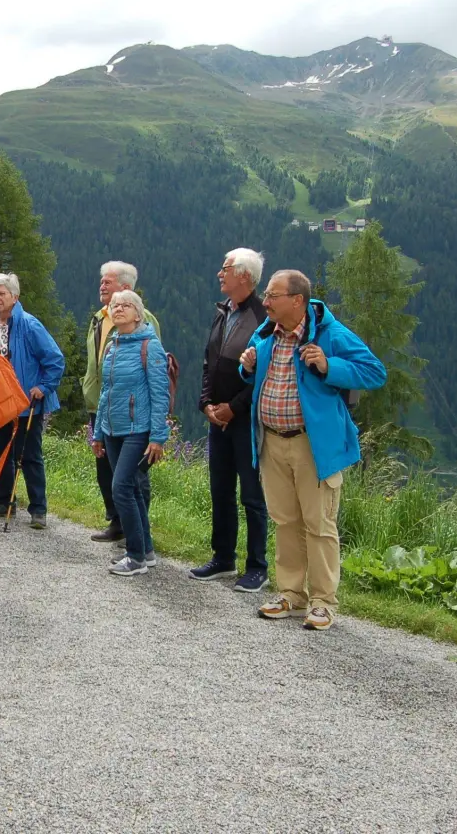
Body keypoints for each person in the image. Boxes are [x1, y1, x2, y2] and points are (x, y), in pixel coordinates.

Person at [239, 269, 386, 631]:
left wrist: (328, 365)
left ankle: (322, 602)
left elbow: (374, 372)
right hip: (272, 440)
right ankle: (291, 594)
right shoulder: (266, 334)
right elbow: (259, 377)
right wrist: (248, 368)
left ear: (298, 301)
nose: (266, 302)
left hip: (312, 445)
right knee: (285, 521)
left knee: (319, 524)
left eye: (273, 296)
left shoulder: (330, 333)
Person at [191, 248, 272, 592]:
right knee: (220, 489)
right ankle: (223, 557)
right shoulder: (223, 311)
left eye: (224, 269)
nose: (219, 275)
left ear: (245, 276)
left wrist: (233, 408)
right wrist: (207, 402)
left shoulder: (263, 318)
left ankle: (257, 566)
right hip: (218, 417)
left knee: (252, 495)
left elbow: (262, 375)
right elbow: (210, 361)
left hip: (245, 419)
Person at [81, 261, 162, 544]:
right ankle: (117, 523)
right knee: (107, 473)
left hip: (134, 417)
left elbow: (155, 378)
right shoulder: (100, 319)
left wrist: (157, 432)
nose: (102, 286)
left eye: (109, 282)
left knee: (131, 480)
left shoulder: (144, 324)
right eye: (101, 281)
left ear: (126, 288)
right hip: (103, 408)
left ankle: (137, 538)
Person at [95, 290, 171, 576]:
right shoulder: (113, 344)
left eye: (126, 305)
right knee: (133, 489)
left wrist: (157, 437)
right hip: (112, 429)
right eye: (115, 305)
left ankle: (135, 556)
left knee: (121, 489)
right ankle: (146, 550)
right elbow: (106, 392)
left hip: (137, 430)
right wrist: (98, 433)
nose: (119, 309)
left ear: (139, 314)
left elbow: (159, 393)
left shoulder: (150, 345)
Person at [0, 273, 65, 528]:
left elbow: (55, 359)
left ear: (14, 297)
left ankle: (38, 509)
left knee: (28, 455)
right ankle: (5, 500)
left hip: (26, 401)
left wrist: (44, 386)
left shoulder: (29, 324)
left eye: (1, 294)